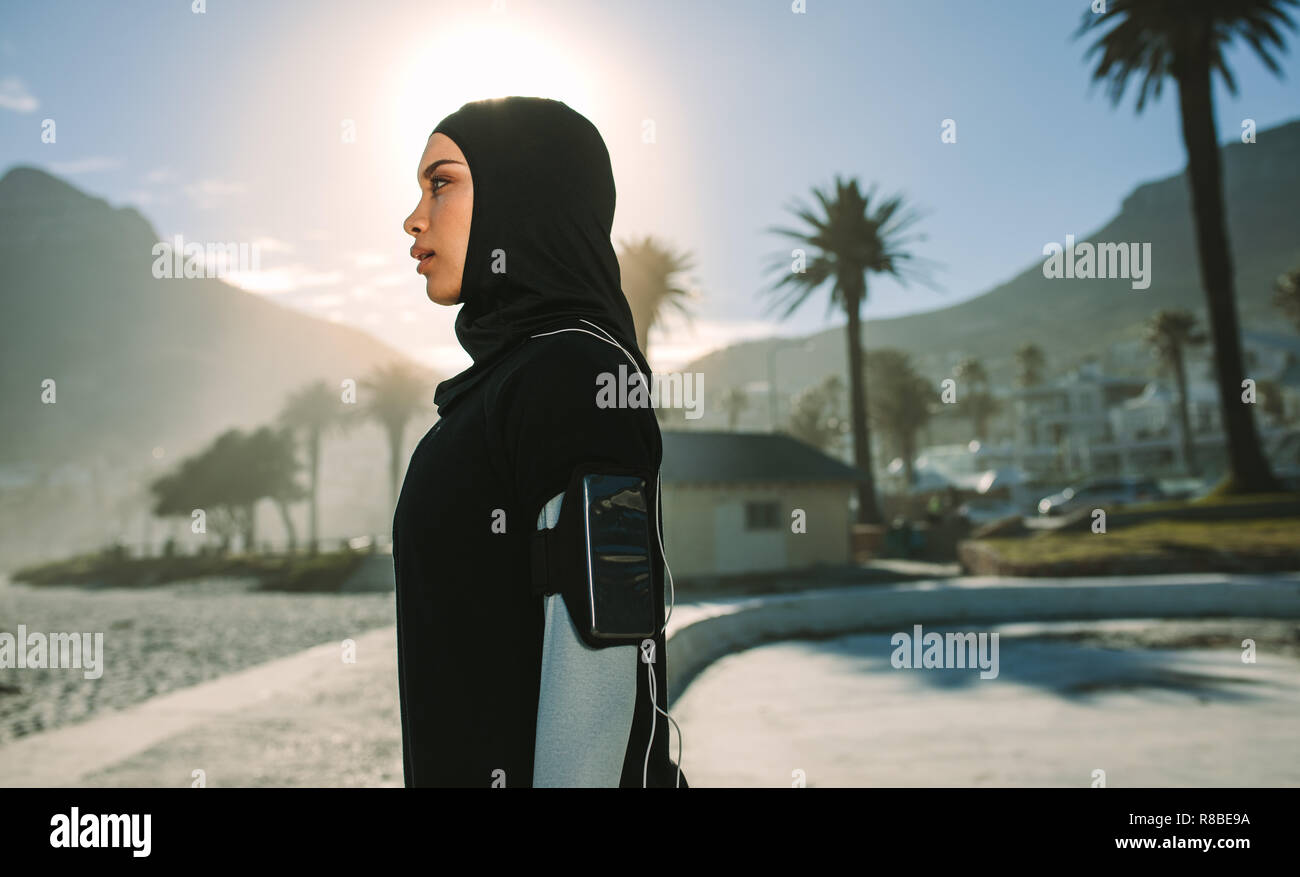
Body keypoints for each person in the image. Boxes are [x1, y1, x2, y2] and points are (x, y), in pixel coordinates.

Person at [394, 96, 687, 788]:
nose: (413, 218)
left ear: (522, 194)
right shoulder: (500, 386)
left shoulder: (577, 375)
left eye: (441, 183)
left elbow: (597, 683)